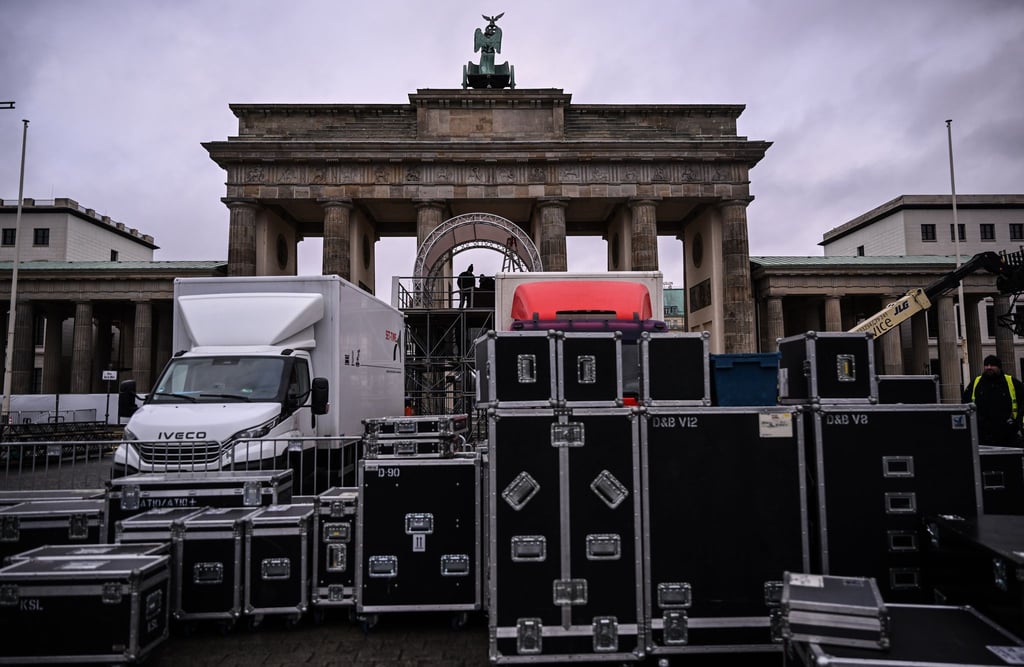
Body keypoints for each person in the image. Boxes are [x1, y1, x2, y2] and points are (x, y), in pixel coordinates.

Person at [963, 355, 1024, 446]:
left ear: (999, 367)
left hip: (1008, 435)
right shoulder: (976, 382)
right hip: (982, 436)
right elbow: (965, 404)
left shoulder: (1011, 382)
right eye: (986, 365)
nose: (989, 367)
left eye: (992, 365)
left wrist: (1016, 424)